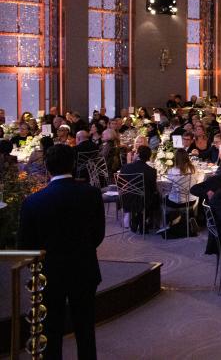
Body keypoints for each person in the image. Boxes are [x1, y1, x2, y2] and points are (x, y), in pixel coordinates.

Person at [18, 144, 105, 360]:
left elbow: (26, 244)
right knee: (85, 328)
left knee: (51, 328)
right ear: (74, 165)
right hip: (84, 267)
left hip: (49, 272)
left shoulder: (33, 201)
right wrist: (81, 248)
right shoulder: (91, 194)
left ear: (47, 167)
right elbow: (98, 234)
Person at [118, 145, 160, 233]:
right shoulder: (151, 171)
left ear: (137, 154)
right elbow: (153, 189)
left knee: (148, 197)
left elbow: (119, 184)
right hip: (143, 201)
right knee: (156, 198)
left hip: (126, 199)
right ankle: (143, 221)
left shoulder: (125, 167)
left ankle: (137, 220)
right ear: (149, 157)